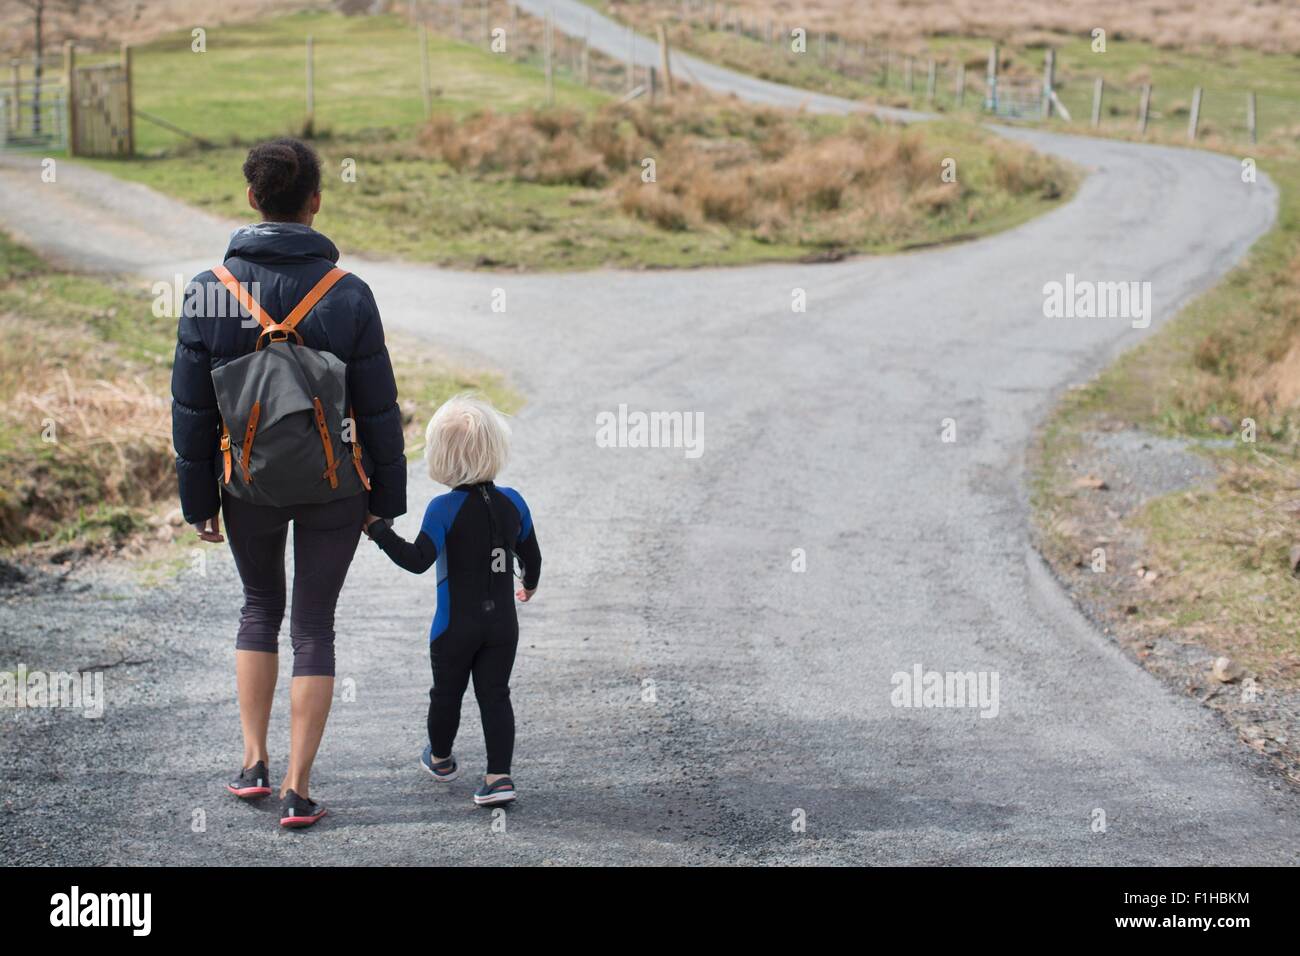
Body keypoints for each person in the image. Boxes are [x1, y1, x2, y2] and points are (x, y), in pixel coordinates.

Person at [171, 138, 406, 829]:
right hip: (336, 488)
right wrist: (384, 503)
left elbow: (191, 411)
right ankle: (299, 791)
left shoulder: (209, 290)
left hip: (247, 486)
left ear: (252, 199)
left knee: (257, 611)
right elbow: (379, 409)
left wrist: (198, 502)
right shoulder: (350, 294)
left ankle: (252, 764)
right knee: (313, 629)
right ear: (316, 203)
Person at [364, 395, 541, 807]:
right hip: (502, 627)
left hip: (453, 628)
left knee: (446, 694)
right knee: (495, 694)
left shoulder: (442, 508)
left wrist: (378, 531)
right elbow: (531, 555)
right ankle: (499, 778)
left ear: (440, 457)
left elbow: (417, 561)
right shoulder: (514, 501)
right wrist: (528, 583)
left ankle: (441, 759)